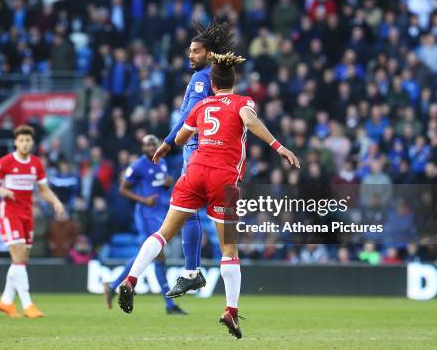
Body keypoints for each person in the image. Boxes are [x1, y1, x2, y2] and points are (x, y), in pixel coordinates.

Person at [118, 52, 300, 339]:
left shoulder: (202, 104)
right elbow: (250, 122)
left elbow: (179, 139)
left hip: (194, 171)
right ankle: (230, 310)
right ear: (234, 81)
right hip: (223, 180)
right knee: (229, 249)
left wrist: (174, 142)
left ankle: (131, 279)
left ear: (212, 84)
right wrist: (279, 147)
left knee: (164, 233)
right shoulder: (243, 102)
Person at [154, 20, 237, 298]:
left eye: (196, 51)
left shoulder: (202, 78)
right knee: (191, 212)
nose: (190, 55)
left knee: (188, 209)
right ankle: (193, 271)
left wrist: (167, 142)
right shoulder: (205, 76)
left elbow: (190, 115)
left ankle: (192, 271)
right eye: (189, 51)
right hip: (200, 151)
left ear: (210, 54)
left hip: (195, 150)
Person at [0, 125, 66, 319]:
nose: (25, 143)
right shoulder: (5, 162)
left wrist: (55, 201)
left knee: (21, 260)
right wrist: (0, 191)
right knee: (19, 256)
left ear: (32, 142)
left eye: (28, 140)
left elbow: (43, 189)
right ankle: (28, 304)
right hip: (9, 213)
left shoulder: (36, 164)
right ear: (16, 142)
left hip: (27, 214)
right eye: (21, 140)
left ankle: (6, 300)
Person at [103, 135, 187, 315]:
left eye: (153, 144)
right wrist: (143, 200)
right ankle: (169, 304)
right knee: (156, 254)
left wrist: (167, 184)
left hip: (158, 212)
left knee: (151, 255)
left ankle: (113, 285)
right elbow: (122, 188)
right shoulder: (137, 166)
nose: (150, 147)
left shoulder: (161, 161)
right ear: (142, 148)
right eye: (147, 145)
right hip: (145, 214)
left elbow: (158, 185)